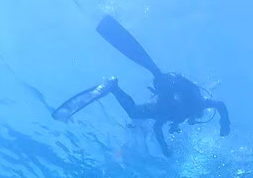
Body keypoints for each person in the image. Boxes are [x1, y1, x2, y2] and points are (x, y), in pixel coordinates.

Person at [52, 15, 230, 157]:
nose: (192, 121)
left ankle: (114, 87)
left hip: (164, 102)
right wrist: (225, 123)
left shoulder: (180, 117)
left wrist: (164, 147)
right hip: (170, 88)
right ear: (198, 116)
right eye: (195, 119)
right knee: (154, 85)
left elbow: (157, 127)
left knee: (133, 113)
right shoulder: (199, 104)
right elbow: (220, 104)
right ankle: (151, 73)